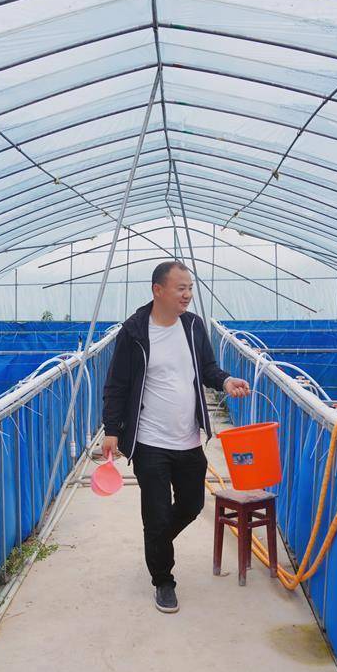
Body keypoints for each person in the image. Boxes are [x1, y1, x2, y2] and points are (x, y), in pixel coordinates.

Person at [101, 260, 251, 613]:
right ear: (158, 290)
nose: (187, 295)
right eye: (180, 288)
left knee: (192, 505)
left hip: (188, 439)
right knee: (155, 514)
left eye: (190, 289)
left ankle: (156, 542)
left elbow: (207, 369)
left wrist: (226, 380)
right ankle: (163, 580)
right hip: (150, 441)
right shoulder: (134, 332)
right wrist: (112, 431)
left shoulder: (193, 326)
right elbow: (117, 384)